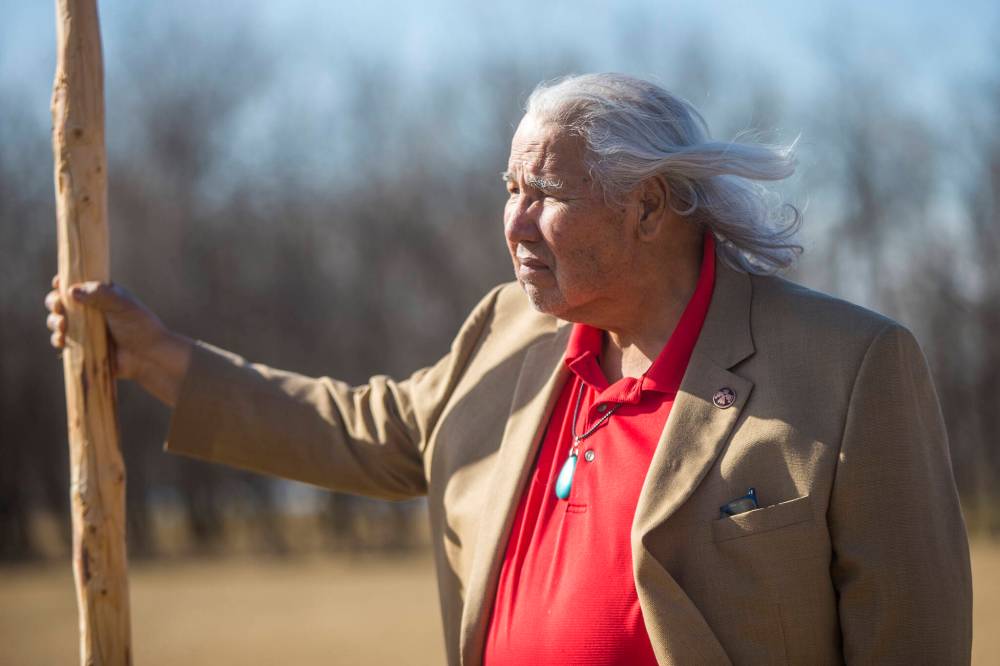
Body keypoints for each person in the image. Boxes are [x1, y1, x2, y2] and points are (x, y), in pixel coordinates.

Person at [45, 73, 972, 665]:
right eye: (510, 190)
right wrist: (156, 357)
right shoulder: (507, 332)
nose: (515, 224)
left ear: (650, 207)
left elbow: (914, 641)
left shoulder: (850, 366)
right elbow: (365, 431)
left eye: (546, 193)